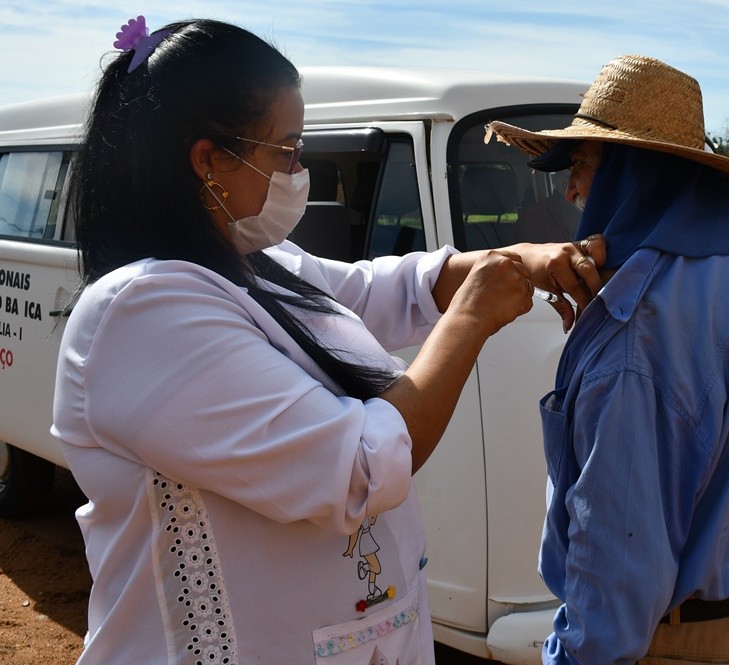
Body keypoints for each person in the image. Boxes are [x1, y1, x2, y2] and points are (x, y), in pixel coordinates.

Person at [51, 17, 605, 665]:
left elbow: (379, 290)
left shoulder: (257, 262)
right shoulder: (143, 313)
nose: (298, 170)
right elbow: (359, 468)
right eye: (285, 151)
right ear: (208, 161)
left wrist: (519, 258)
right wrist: (471, 319)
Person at [486, 54, 729, 664]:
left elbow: (615, 571)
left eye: (582, 164)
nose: (570, 189)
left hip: (678, 640)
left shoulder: (639, 323)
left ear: (632, 172)